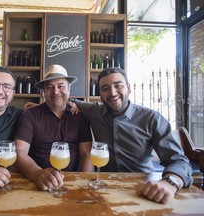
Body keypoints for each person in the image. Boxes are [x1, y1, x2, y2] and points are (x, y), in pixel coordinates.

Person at [69, 67, 193, 204]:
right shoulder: (94, 111)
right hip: (104, 188)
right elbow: (64, 99)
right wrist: (72, 105)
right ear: (100, 94)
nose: (112, 92)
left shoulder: (152, 119)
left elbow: (179, 161)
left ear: (128, 88)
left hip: (143, 187)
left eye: (118, 86)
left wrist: (170, 183)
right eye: (105, 88)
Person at [14, 64, 94, 191]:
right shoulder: (29, 115)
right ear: (43, 92)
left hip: (73, 182)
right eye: (49, 87)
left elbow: (87, 153)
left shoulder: (79, 115)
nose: (55, 91)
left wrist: (84, 183)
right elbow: (19, 151)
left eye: (61, 86)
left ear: (69, 89)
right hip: (35, 181)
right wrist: (37, 173)